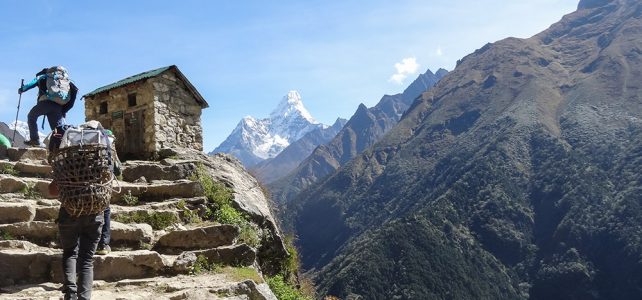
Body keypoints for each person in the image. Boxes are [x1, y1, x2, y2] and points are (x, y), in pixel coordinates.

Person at [18, 66, 78, 147]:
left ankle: (34, 139)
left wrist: (22, 89)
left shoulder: (43, 76)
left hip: (45, 104)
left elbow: (30, 84)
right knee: (58, 129)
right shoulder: (63, 80)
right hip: (58, 107)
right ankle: (67, 145)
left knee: (31, 116)